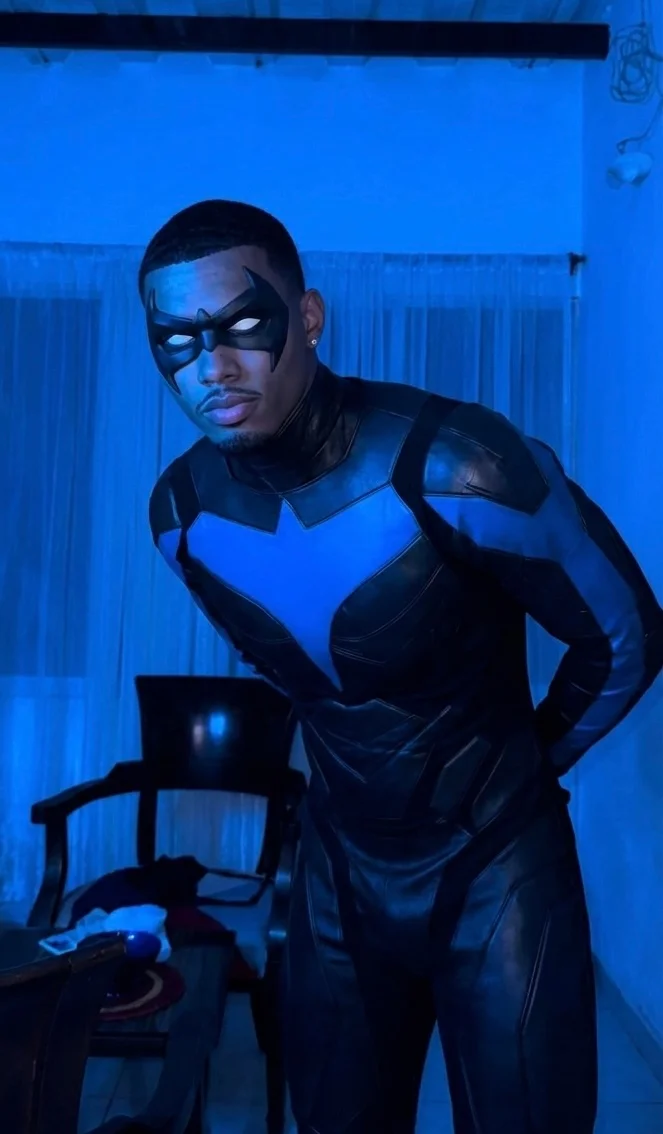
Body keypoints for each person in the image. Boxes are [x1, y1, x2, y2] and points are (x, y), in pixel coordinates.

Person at [142, 199, 663, 1134]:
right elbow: (297, 671)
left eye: (243, 327)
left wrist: (526, 764)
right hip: (341, 871)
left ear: (308, 316)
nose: (210, 368)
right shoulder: (182, 516)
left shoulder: (460, 464)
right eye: (176, 341)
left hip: (497, 868)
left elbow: (623, 638)